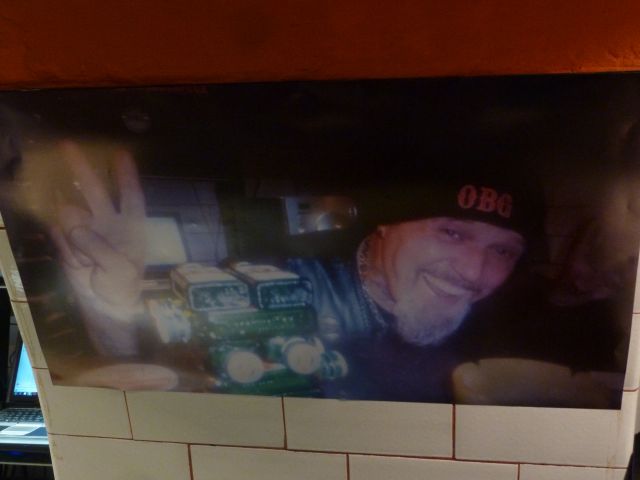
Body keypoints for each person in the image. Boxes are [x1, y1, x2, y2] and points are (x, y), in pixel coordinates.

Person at [49, 141, 533, 400]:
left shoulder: (509, 330)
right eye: (452, 233)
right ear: (387, 222)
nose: (475, 272)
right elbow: (156, 379)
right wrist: (111, 313)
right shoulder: (276, 291)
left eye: (503, 251)